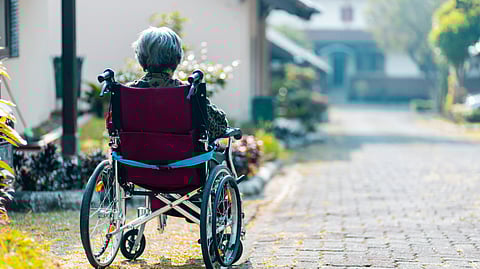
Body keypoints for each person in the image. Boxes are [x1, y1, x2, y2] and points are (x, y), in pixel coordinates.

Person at [128, 26, 228, 141]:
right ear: (177, 57)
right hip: (183, 157)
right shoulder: (189, 92)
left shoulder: (127, 93)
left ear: (141, 58)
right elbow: (219, 126)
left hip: (137, 156)